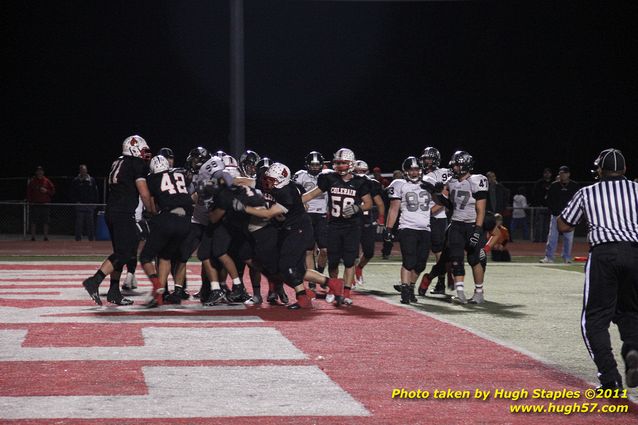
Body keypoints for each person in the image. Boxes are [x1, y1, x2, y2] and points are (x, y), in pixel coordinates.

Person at [557, 148, 638, 390]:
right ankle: (633, 349)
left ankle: (610, 377)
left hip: (603, 255)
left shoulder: (588, 192)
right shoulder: (636, 189)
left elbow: (564, 225)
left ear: (600, 170)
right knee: (631, 313)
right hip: (635, 252)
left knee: (594, 320)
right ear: (624, 169)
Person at [81, 135, 155, 306]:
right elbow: (144, 193)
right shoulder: (136, 164)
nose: (145, 154)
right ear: (134, 149)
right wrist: (151, 210)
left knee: (120, 253)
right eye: (143, 150)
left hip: (112, 210)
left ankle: (114, 291)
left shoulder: (117, 162)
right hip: (123, 212)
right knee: (126, 252)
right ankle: (95, 280)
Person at [302, 148, 373, 305]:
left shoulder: (360, 182)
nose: (340, 165)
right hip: (333, 225)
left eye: (343, 162)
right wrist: (296, 203)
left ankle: (346, 293)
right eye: (338, 162)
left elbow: (368, 203)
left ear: (351, 164)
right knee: (333, 262)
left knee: (349, 261)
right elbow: (311, 194)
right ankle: (333, 289)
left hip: (352, 227)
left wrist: (358, 208)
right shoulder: (329, 178)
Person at [140, 155, 194, 308]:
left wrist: (152, 213)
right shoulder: (180, 175)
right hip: (186, 221)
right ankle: (159, 297)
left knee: (145, 257)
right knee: (166, 256)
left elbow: (151, 206)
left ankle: (157, 286)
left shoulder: (152, 179)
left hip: (167, 218)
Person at [385, 156, 432, 304]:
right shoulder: (399, 184)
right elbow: (394, 209)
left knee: (421, 264)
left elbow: (441, 203)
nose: (414, 173)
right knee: (409, 260)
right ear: (405, 171)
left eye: (417, 169)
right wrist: (388, 229)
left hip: (425, 228)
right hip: (407, 227)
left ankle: (411, 287)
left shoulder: (428, 183)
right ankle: (405, 290)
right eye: (411, 170)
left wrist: (437, 193)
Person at [444, 151, 488, 304]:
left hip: (472, 224)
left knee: (475, 260)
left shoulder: (476, 180)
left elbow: (481, 210)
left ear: (465, 165)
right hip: (456, 224)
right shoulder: (451, 181)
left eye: (457, 165)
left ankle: (479, 292)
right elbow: (446, 202)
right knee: (456, 258)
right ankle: (460, 292)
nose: (454, 168)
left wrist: (477, 230)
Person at [420, 147, 452, 295]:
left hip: (436, 218)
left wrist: (428, 213)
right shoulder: (420, 174)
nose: (426, 161)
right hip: (420, 218)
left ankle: (441, 282)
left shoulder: (443, 173)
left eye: (429, 158)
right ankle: (408, 282)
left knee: (438, 251)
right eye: (425, 158)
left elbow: (443, 199)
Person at [352, 160, 385, 286]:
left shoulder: (371, 184)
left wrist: (381, 219)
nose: (360, 174)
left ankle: (359, 268)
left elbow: (380, 203)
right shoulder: (347, 182)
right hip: (351, 221)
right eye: (357, 171)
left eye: (362, 171)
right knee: (351, 253)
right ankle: (349, 279)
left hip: (366, 221)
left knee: (369, 252)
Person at [540, 165, 579, 264]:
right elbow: (549, 200)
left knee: (568, 238)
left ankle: (567, 257)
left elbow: (577, 201)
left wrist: (574, 215)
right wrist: (554, 212)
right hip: (556, 215)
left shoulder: (574, 185)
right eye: (561, 173)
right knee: (552, 237)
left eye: (565, 173)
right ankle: (549, 257)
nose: (563, 175)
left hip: (569, 216)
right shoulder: (554, 185)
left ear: (568, 174)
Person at [26, 166, 56, 241]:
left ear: (43, 172)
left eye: (41, 171)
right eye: (38, 171)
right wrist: (30, 202)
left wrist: (46, 191)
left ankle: (45, 237)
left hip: (45, 204)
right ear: (36, 172)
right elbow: (29, 192)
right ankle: (33, 237)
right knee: (33, 221)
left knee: (46, 221)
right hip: (35, 204)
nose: (39, 172)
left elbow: (53, 192)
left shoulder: (47, 181)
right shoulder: (32, 181)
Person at [70, 164, 98, 241]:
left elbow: (95, 192)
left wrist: (95, 202)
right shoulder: (76, 180)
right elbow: (73, 192)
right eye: (82, 170)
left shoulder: (91, 180)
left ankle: (91, 239)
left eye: (85, 170)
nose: (83, 172)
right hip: (80, 204)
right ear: (80, 171)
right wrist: (75, 202)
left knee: (90, 223)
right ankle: (78, 239)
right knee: (79, 223)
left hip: (89, 205)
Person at [531, 168, 553, 242]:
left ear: (551, 174)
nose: (547, 174)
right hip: (540, 207)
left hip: (549, 207)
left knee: (547, 225)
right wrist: (538, 204)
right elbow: (535, 195)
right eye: (546, 173)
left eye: (548, 173)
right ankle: (537, 240)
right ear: (543, 174)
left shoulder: (553, 183)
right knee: (538, 225)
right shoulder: (539, 183)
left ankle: (545, 240)